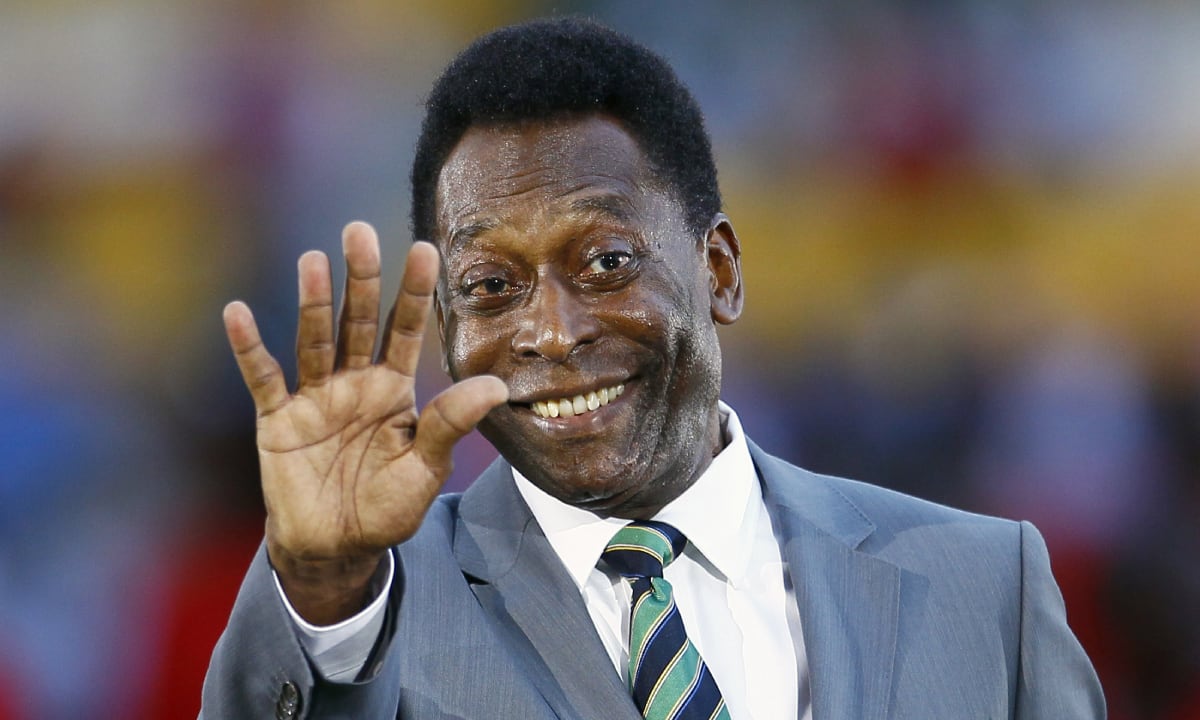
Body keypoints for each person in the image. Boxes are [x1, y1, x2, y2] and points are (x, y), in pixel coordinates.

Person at [201, 17, 1105, 720]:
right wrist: (323, 593)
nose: (551, 332)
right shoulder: (366, 613)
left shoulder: (986, 586)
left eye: (604, 263)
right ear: (445, 326)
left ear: (718, 271)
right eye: (490, 284)